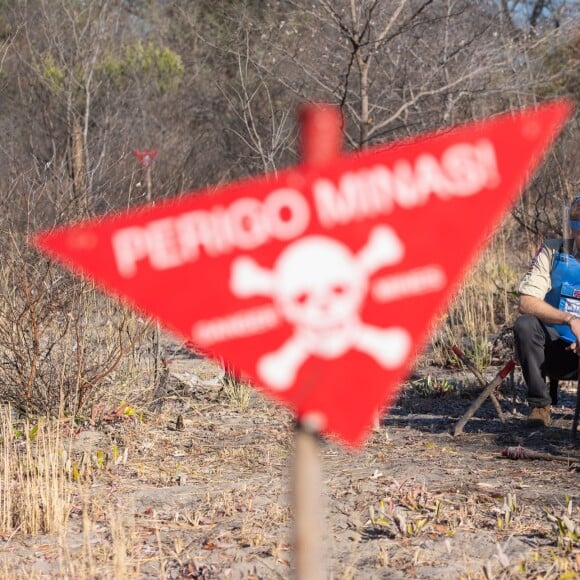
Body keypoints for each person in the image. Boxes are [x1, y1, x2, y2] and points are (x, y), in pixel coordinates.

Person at [514, 196, 580, 427]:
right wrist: (569, 319)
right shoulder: (552, 251)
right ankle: (540, 405)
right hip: (553, 348)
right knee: (525, 325)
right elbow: (526, 301)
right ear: (572, 230)